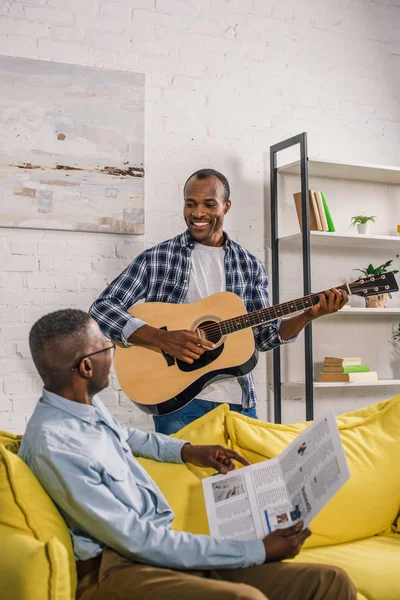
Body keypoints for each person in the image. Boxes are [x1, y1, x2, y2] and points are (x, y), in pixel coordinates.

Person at [19, 309, 356, 600]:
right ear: (86, 369)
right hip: (118, 570)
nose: (114, 355)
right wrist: (258, 550)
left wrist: (190, 451)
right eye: (107, 348)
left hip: (158, 552)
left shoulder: (84, 406)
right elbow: (137, 540)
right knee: (245, 598)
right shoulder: (55, 444)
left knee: (329, 582)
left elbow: (128, 437)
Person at [90, 169, 348, 434]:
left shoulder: (249, 266)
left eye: (209, 204)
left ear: (227, 206)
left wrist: (308, 315)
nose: (198, 213)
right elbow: (102, 308)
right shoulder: (158, 258)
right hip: (180, 403)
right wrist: (160, 338)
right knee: (185, 477)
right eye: (191, 204)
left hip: (239, 402)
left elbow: (263, 336)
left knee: (245, 475)